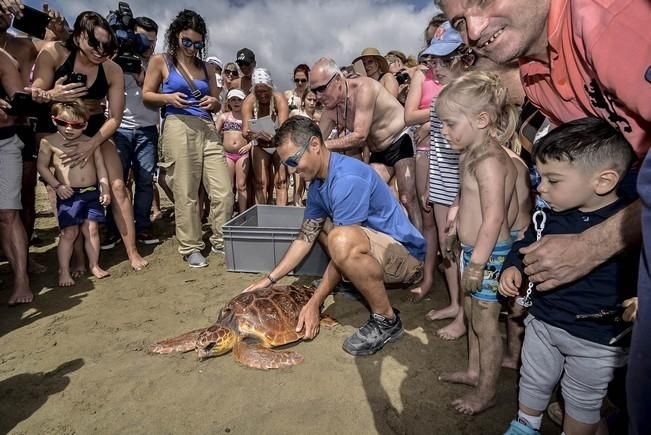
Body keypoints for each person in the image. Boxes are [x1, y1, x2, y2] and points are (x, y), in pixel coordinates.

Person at [437, 1, 650, 429]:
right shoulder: (538, 80)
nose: (475, 31)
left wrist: (598, 243)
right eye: (460, 22)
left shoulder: (608, 21)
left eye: (481, 1)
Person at [243, 116, 426, 357]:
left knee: (340, 240)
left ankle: (387, 320)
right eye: (287, 164)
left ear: (315, 145)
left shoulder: (347, 179)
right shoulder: (318, 183)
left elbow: (344, 243)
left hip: (405, 258)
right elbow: (305, 237)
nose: (292, 170)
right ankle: (355, 280)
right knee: (319, 228)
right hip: (374, 248)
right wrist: (270, 279)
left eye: (294, 161)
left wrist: (315, 303)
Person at [499, 118, 636, 435]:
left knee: (582, 401)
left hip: (597, 338)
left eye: (553, 179)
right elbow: (525, 243)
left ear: (602, 181)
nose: (541, 186)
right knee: (533, 379)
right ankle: (524, 426)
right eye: (541, 176)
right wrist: (513, 266)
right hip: (544, 322)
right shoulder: (547, 213)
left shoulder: (629, 228)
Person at [29, 10, 148, 272]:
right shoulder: (54, 53)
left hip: (95, 130)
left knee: (118, 187)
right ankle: (78, 257)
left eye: (108, 46)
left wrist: (90, 143)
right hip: (54, 128)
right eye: (95, 43)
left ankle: (132, 251)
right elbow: (35, 92)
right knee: (61, 189)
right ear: (80, 36)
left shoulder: (112, 69)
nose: (100, 51)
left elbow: (115, 118)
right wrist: (52, 94)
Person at [435, 71, 519, 415]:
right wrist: (456, 222)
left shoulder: (490, 162)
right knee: (471, 313)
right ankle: (473, 371)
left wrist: (479, 263)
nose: (444, 131)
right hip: (474, 250)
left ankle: (487, 392)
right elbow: (467, 200)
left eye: (451, 123)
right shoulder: (471, 154)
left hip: (491, 255)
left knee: (486, 324)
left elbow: (495, 217)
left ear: (482, 119)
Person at [142, 9, 232, 268]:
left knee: (223, 191)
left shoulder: (206, 67)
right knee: (186, 191)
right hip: (177, 125)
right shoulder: (161, 61)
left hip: (206, 125)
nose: (192, 47)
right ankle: (191, 245)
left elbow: (217, 104)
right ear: (175, 37)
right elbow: (147, 94)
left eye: (197, 43)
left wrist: (214, 101)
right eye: (187, 41)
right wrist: (167, 98)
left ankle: (221, 239)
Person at [312, 57, 422, 231]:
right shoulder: (330, 109)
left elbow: (359, 136)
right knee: (368, 194)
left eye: (321, 89)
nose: (317, 96)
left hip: (400, 138)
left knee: (408, 198)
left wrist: (324, 146)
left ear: (338, 80)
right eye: (314, 91)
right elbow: (314, 140)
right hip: (378, 150)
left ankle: (420, 248)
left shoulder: (364, 88)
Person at [0, 1, 68, 270]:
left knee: (24, 195)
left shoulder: (24, 45)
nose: (5, 14)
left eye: (7, 11)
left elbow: (63, 49)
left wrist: (61, 31)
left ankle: (23, 257)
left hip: (24, 123)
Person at [404, 21, 459, 306]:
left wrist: (433, 119)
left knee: (459, 236)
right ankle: (435, 284)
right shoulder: (421, 77)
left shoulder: (464, 91)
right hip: (432, 158)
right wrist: (434, 116)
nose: (435, 65)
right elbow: (408, 116)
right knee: (434, 222)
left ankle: (460, 306)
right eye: (432, 56)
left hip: (454, 165)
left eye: (444, 57)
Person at [37, 101, 111, 286]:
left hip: (91, 193)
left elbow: (101, 167)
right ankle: (63, 270)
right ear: (54, 120)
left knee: (92, 230)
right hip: (68, 194)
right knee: (69, 233)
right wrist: (57, 185)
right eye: (63, 123)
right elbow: (42, 166)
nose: (69, 129)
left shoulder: (90, 142)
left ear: (85, 124)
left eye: (76, 125)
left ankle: (94, 265)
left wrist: (105, 188)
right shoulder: (49, 142)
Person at [104, 16, 160, 247]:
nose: (149, 44)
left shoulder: (158, 64)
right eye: (144, 38)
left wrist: (142, 79)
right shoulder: (113, 61)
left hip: (147, 129)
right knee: (117, 181)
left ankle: (142, 226)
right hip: (120, 129)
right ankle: (113, 229)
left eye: (153, 40)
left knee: (145, 180)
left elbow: (160, 98)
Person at [0, 48, 32, 305]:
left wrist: (46, 94)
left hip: (5, 142)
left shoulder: (4, 59)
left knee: (8, 214)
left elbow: (19, 105)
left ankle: (21, 279)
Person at [241, 68, 289, 206]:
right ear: (253, 90)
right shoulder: (249, 101)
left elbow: (285, 127)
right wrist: (256, 134)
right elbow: (245, 131)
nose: (262, 95)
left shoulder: (279, 98)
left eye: (265, 91)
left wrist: (274, 135)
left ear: (271, 88)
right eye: (258, 91)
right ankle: (262, 216)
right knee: (260, 183)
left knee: (281, 181)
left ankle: (281, 215)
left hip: (278, 142)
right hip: (260, 144)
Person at [215, 88, 250, 213]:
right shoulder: (224, 117)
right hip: (227, 154)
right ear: (228, 102)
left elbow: (256, 136)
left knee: (241, 185)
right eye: (233, 99)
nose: (236, 102)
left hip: (243, 154)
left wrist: (249, 145)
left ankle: (242, 213)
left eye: (239, 100)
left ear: (244, 101)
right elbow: (214, 134)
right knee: (228, 186)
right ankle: (227, 213)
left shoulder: (248, 118)